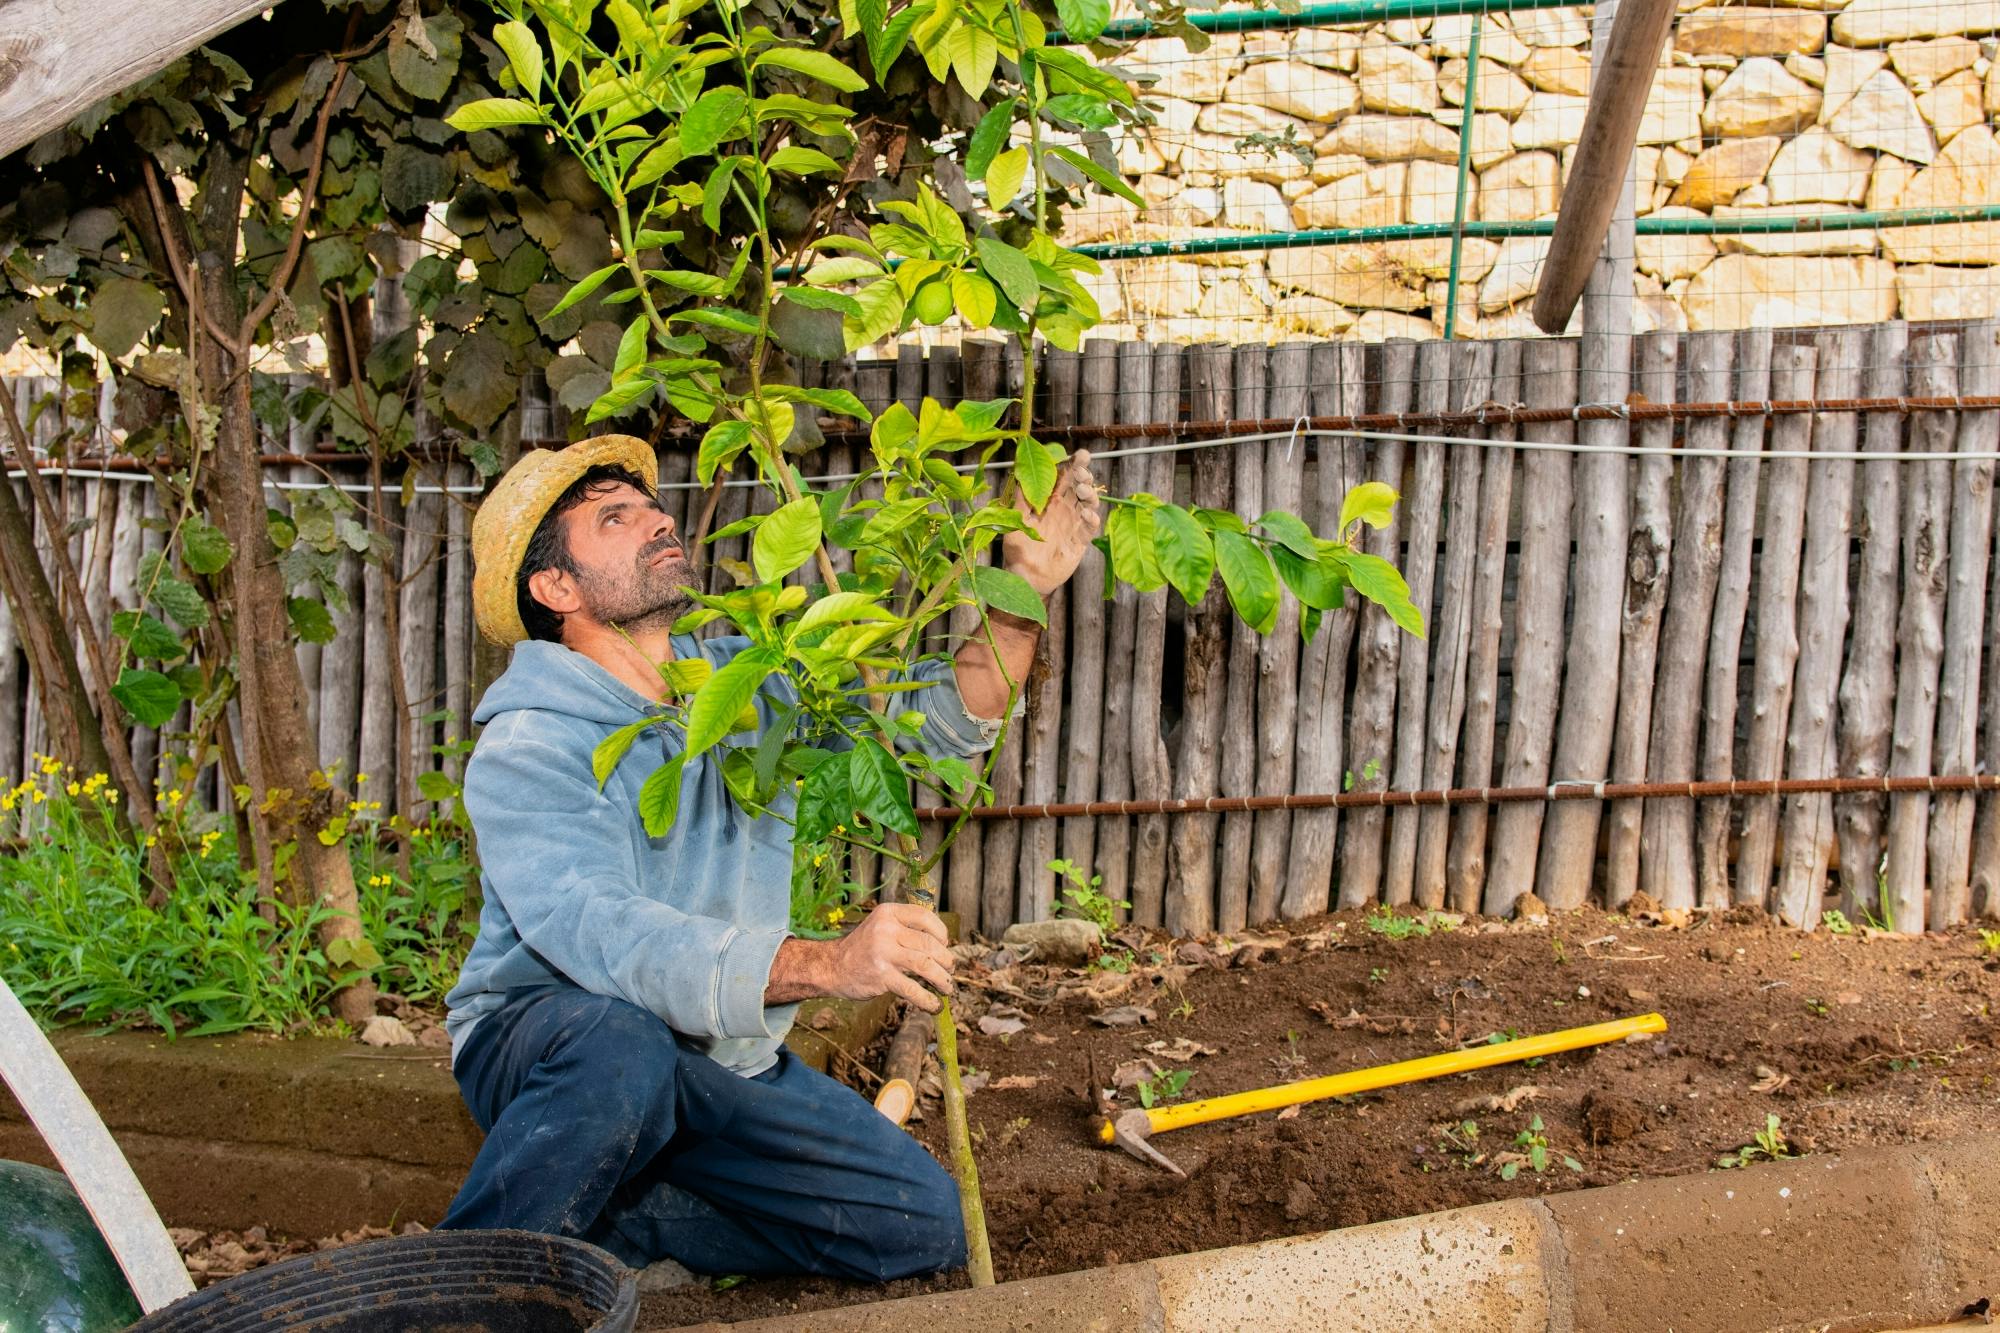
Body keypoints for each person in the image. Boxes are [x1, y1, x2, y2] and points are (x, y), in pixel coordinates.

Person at [440, 433, 1101, 1280]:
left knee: (921, 1225)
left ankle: (617, 1222)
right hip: (555, 1045)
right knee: (624, 1046)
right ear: (556, 587)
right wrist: (827, 965)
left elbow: (934, 718)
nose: (655, 520)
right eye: (615, 516)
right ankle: (451, 1292)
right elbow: (606, 934)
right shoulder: (530, 743)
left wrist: (1021, 595)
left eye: (650, 504)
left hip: (715, 1057)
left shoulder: (749, 683)